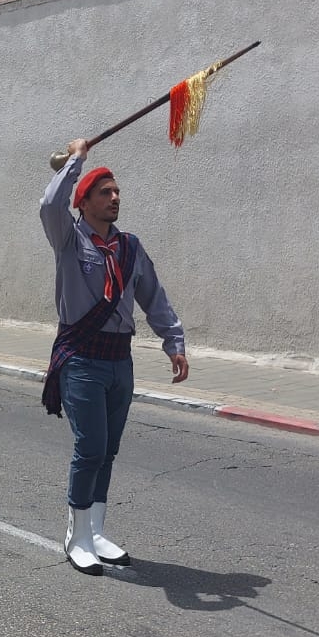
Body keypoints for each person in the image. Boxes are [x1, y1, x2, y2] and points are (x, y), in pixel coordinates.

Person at [42, 141, 188, 576]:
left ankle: (96, 531)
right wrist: (76, 160)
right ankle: (77, 535)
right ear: (83, 202)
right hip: (82, 358)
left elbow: (153, 296)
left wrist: (173, 341)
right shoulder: (67, 238)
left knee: (109, 449)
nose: (115, 198)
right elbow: (50, 202)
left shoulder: (129, 248)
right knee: (89, 447)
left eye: (117, 191)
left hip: (119, 361)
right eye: (104, 192)